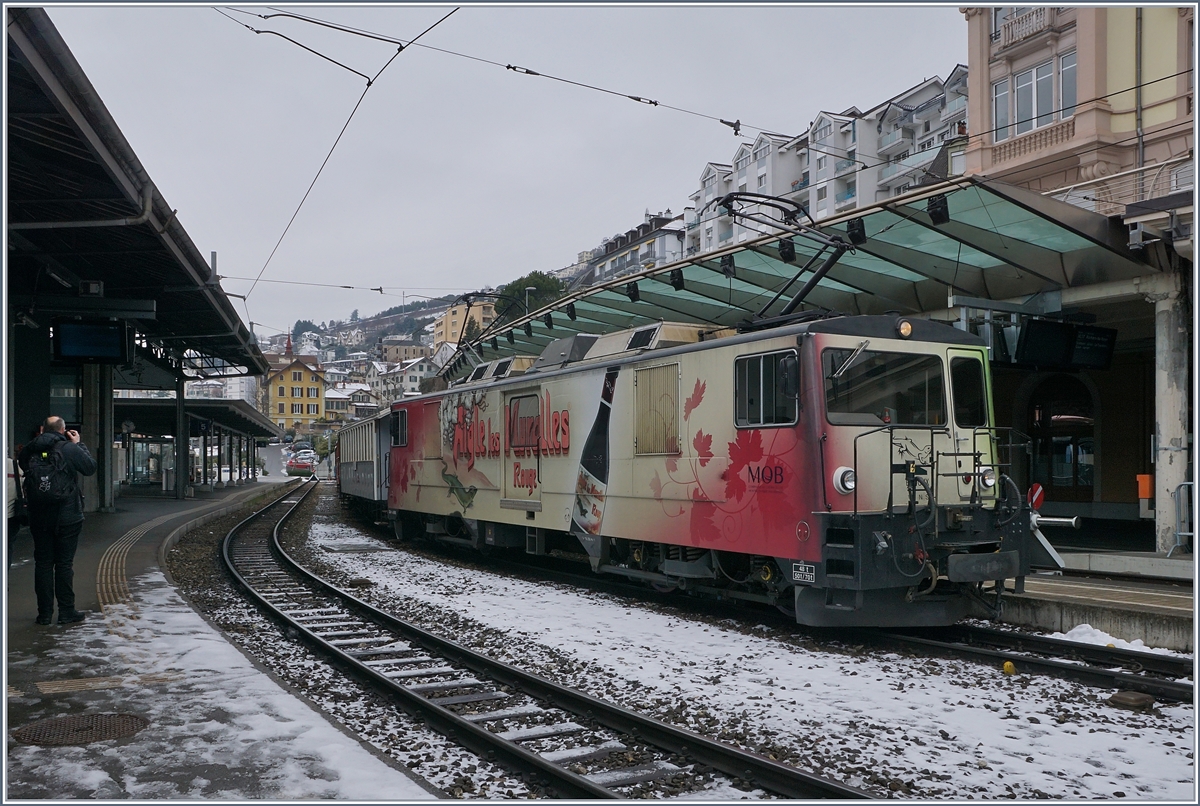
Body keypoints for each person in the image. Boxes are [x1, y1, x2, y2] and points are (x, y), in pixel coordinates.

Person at [19, 416, 97, 625]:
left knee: (43, 563)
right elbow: (90, 468)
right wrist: (78, 444)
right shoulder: (69, 448)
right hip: (67, 516)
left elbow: (24, 467)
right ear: (63, 430)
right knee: (63, 564)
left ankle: (44, 614)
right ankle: (66, 612)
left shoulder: (29, 449)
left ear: (43, 429)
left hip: (38, 515)